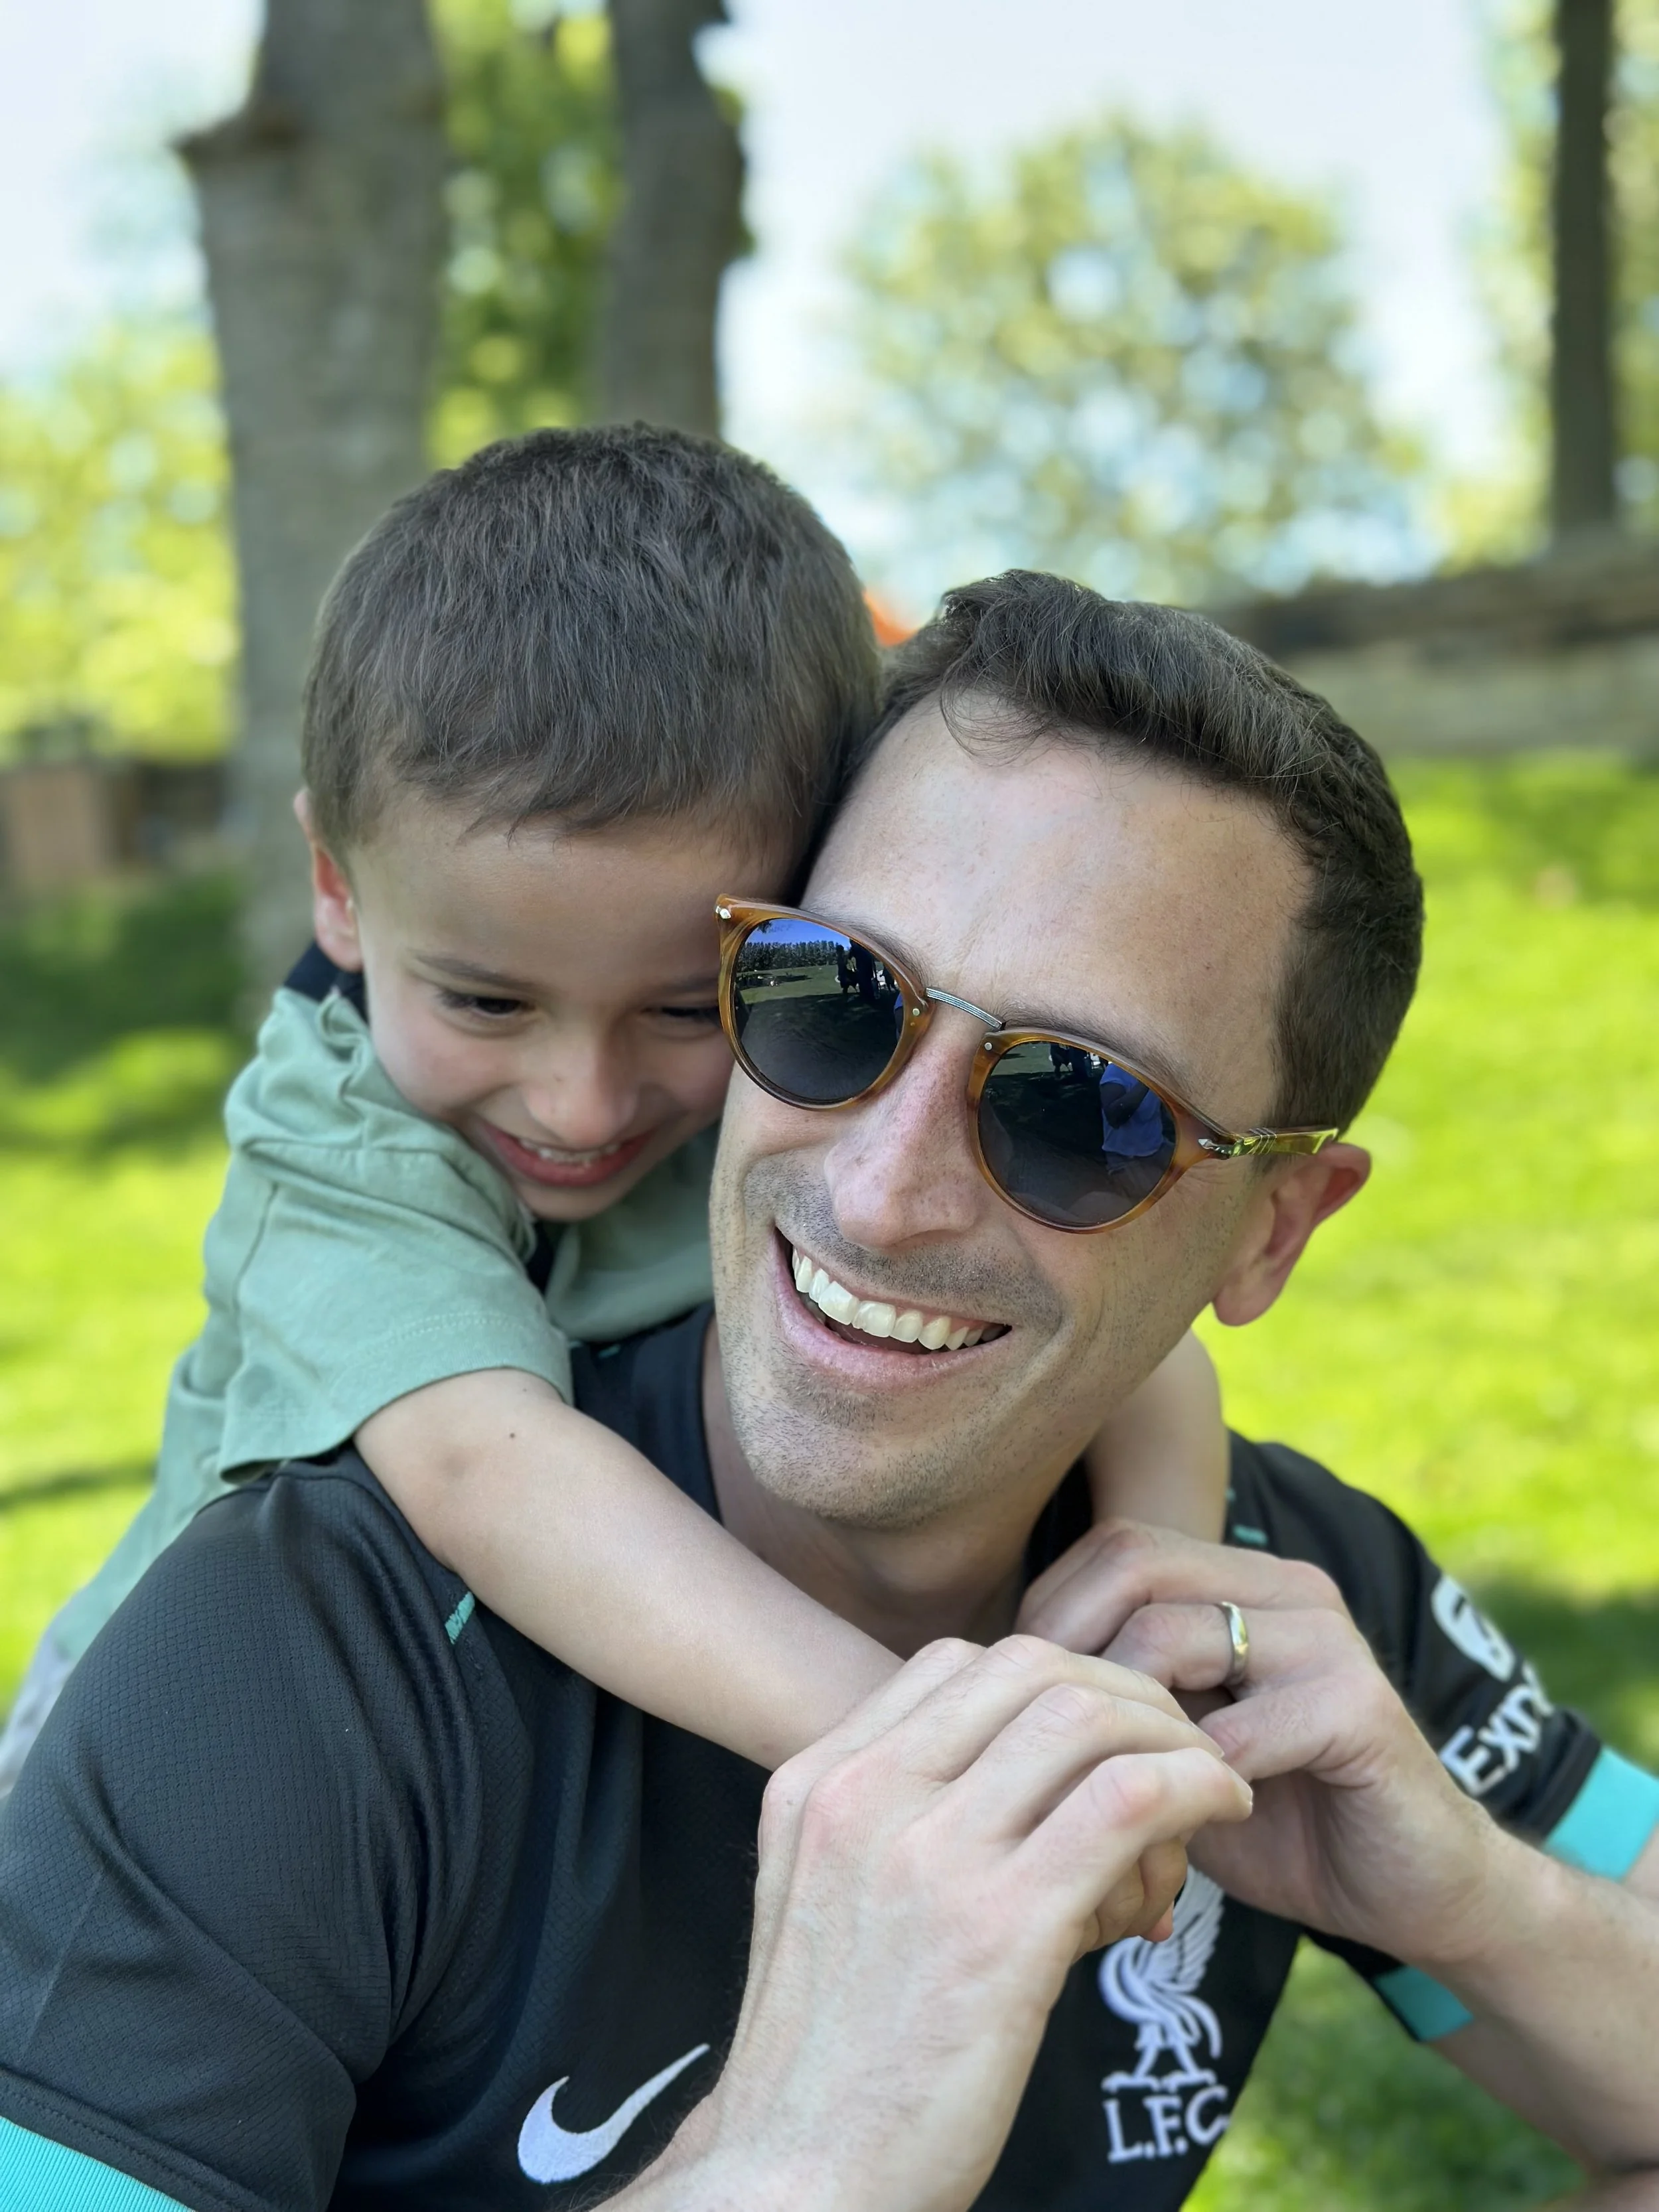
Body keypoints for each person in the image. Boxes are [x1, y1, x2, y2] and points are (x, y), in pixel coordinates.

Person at [5, 573, 1659, 2212]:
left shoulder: (1262, 1615)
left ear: (1271, 1226)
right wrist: (788, 2167)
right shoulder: (308, 1652)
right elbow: (472, 1462)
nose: (880, 1192)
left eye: (1078, 1111)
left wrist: (1472, 1897)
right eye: (830, 996)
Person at [0, 427, 1222, 1801]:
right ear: (336, 890)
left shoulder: (816, 1072)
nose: (579, 1104)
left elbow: (1142, 1347)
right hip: (153, 1759)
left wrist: (1147, 1644)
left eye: (686, 1009)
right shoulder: (336, 1139)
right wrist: (969, 1769)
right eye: (485, 1002)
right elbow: (491, 1477)